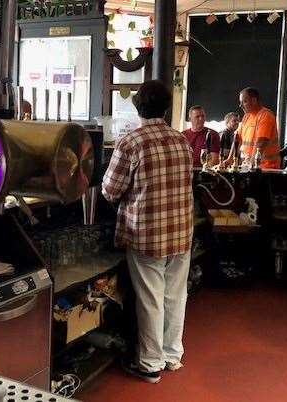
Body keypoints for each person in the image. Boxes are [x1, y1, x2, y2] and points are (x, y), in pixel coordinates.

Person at [102, 80, 193, 384]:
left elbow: (110, 190)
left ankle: (151, 364)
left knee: (151, 298)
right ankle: (171, 355)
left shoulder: (131, 142)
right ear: (166, 108)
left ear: (136, 105)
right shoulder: (181, 140)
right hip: (181, 231)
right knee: (175, 295)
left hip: (148, 233)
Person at [222, 87, 280, 169]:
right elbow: (237, 138)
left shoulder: (265, 115)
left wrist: (251, 165)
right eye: (240, 102)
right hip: (248, 166)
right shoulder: (246, 116)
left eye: (244, 102)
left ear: (254, 100)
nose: (240, 105)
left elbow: (261, 142)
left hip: (265, 168)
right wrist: (229, 159)